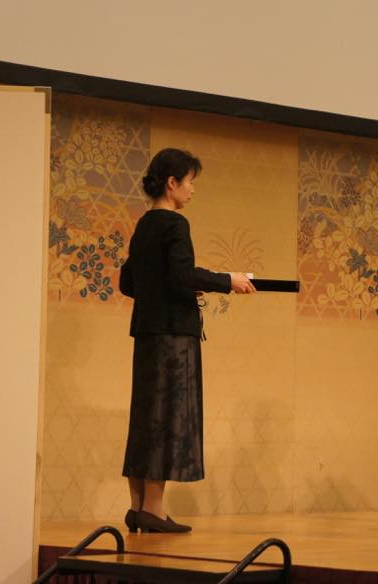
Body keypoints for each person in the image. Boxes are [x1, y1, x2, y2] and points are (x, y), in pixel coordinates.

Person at [119, 148, 255, 533]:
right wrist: (228, 280)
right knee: (167, 417)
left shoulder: (144, 225)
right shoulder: (175, 224)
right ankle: (154, 509)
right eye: (190, 181)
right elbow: (182, 276)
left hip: (146, 334)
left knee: (145, 416)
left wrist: (157, 294)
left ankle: (137, 507)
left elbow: (128, 282)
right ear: (171, 183)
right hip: (174, 337)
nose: (192, 189)